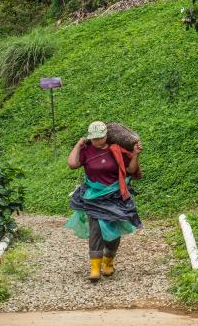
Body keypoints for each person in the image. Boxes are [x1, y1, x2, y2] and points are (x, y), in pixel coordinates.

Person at [65, 121, 143, 282]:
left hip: (114, 196)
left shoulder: (116, 151)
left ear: (106, 135)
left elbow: (131, 170)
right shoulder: (86, 151)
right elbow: (73, 164)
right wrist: (78, 145)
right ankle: (94, 268)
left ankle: (108, 261)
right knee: (95, 230)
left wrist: (135, 154)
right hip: (93, 197)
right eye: (93, 138)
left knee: (113, 232)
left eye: (100, 137)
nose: (97, 141)